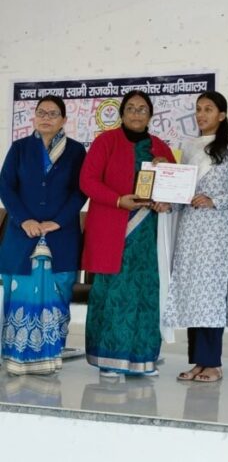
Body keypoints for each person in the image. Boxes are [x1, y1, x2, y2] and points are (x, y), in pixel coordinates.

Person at [80, 90, 175, 377]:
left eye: (142, 109)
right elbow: (87, 181)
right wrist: (118, 200)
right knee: (115, 292)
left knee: (146, 291)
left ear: (150, 115)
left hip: (149, 233)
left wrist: (165, 194)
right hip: (113, 229)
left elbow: (175, 187)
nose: (136, 113)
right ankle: (109, 359)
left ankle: (143, 359)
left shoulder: (160, 147)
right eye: (131, 108)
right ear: (122, 113)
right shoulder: (106, 142)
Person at [0, 96, 86, 375]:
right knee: (20, 294)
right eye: (41, 112)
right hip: (22, 235)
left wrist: (57, 222)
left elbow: (80, 191)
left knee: (57, 295)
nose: (46, 117)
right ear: (34, 117)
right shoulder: (20, 148)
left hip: (61, 237)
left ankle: (49, 359)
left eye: (53, 113)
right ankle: (16, 359)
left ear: (64, 120)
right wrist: (24, 219)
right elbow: (5, 187)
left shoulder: (75, 151)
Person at [163, 91, 228, 382]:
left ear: (222, 115)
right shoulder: (189, 146)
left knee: (210, 294)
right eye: (198, 109)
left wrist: (214, 201)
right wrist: (168, 197)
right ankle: (198, 361)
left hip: (218, 227)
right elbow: (182, 188)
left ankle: (213, 363)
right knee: (190, 291)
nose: (201, 114)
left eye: (208, 109)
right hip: (190, 226)